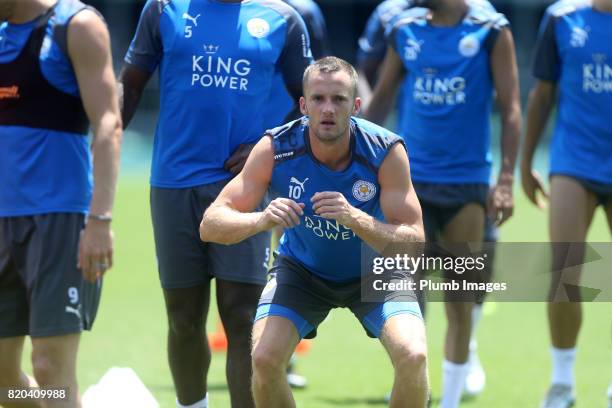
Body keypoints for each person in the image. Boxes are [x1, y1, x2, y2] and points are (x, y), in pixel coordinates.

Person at [200, 56, 428, 408]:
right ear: (303, 105)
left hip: (376, 269)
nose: (328, 109)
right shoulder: (275, 148)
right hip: (301, 273)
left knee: (413, 356)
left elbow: (414, 243)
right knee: (263, 360)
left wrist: (355, 219)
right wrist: (261, 220)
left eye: (338, 99)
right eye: (318, 99)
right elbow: (211, 224)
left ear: (355, 106)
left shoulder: (385, 151)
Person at [119, 1, 312, 407]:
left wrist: (269, 144)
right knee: (184, 319)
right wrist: (101, 146)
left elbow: (310, 100)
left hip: (243, 187)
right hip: (174, 183)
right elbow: (130, 85)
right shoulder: (163, 9)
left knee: (243, 318)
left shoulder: (283, 18)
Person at [365, 1, 521, 407]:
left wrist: (505, 179)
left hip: (466, 187)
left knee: (460, 299)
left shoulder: (491, 31)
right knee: (406, 302)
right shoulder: (404, 29)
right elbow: (381, 99)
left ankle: (450, 399)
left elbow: (511, 107)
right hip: (409, 186)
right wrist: (360, 164)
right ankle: (414, 386)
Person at [0, 0, 122, 406]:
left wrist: (100, 220)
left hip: (59, 222)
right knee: (4, 382)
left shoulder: (76, 26)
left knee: (51, 366)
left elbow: (108, 122)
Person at [521, 0, 612, 407]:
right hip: (574, 163)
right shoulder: (561, 18)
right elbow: (542, 95)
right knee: (565, 274)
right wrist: (523, 164)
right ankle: (562, 384)